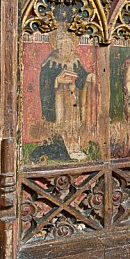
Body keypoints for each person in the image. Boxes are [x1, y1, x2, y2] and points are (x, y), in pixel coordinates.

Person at [37, 28, 94, 161]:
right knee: (62, 123)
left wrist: (88, 77)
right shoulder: (51, 61)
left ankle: (75, 148)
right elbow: (45, 82)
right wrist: (57, 80)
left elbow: (81, 74)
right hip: (59, 99)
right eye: (63, 44)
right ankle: (64, 148)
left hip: (73, 98)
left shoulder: (75, 59)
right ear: (58, 45)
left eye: (69, 44)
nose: (66, 47)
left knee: (74, 122)